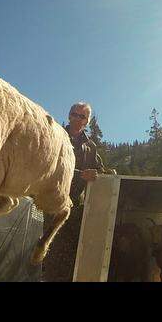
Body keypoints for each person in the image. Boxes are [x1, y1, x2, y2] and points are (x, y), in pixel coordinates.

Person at [41, 102, 104, 281]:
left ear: (87, 121)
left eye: (82, 116)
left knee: (72, 250)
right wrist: (80, 174)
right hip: (53, 200)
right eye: (74, 114)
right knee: (52, 246)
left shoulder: (90, 146)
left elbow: (99, 170)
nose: (77, 118)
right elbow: (48, 164)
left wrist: (98, 173)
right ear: (69, 115)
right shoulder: (54, 134)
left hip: (76, 206)